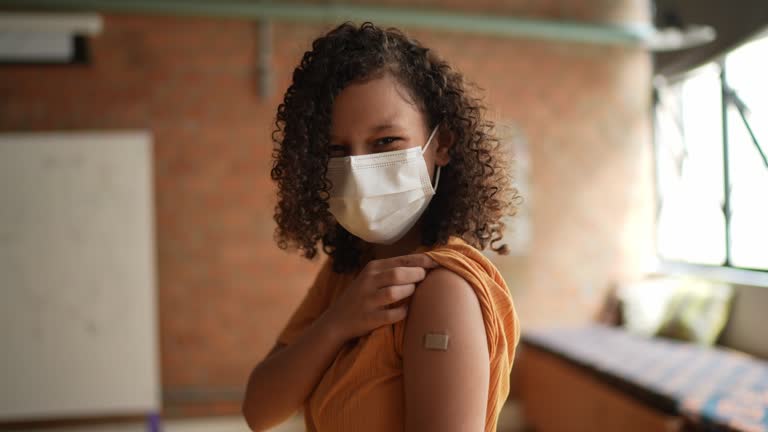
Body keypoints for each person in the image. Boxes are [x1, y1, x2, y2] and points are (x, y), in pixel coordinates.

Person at [242, 21, 521, 432]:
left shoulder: (443, 288)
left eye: (385, 142)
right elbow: (259, 410)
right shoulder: (348, 274)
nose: (357, 170)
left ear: (441, 144)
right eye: (337, 150)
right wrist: (339, 322)